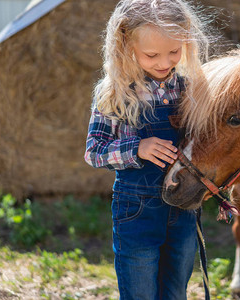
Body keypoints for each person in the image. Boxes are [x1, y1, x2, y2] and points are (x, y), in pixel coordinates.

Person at [84, 0, 211, 299]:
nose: (164, 62)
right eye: (152, 54)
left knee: (175, 290)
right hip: (136, 210)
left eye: (174, 52)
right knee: (140, 291)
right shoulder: (116, 91)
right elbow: (94, 151)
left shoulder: (189, 87)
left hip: (182, 207)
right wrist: (137, 148)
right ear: (126, 45)